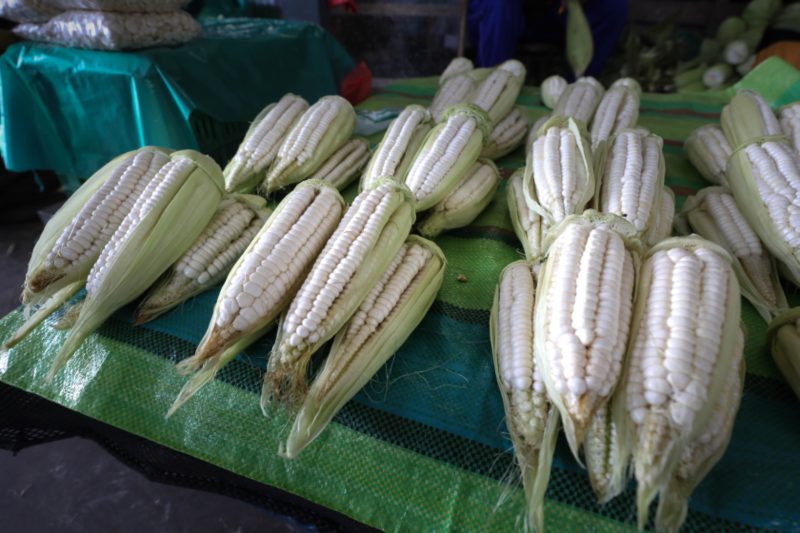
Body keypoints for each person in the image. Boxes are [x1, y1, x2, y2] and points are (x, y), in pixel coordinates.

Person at [467, 0, 628, 76]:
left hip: (558, 14)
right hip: (505, 14)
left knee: (614, 6)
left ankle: (581, 87)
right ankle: (492, 82)